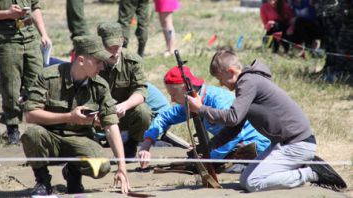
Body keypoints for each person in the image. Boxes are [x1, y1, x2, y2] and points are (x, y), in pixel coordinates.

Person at [186, 50, 347, 192]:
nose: (221, 84)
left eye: (220, 79)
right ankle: (300, 166)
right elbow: (235, 126)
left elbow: (232, 117)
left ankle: (310, 172)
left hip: (296, 144)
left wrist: (200, 109)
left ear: (231, 71)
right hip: (285, 143)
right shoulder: (249, 82)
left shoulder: (247, 82)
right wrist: (209, 147)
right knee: (244, 180)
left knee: (253, 182)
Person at [21, 35, 130, 195]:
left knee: (101, 167)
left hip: (80, 138)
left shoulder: (99, 85)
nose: (102, 66)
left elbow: (111, 125)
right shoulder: (48, 77)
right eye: (98, 62)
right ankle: (43, 181)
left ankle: (73, 173)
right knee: (32, 134)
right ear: (81, 60)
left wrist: (122, 167)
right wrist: (69, 117)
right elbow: (30, 115)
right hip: (49, 137)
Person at [138, 66, 271, 170]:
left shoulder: (219, 102)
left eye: (173, 94)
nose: (172, 100)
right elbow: (164, 118)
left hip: (255, 145)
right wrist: (147, 142)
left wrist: (209, 159)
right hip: (229, 146)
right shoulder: (190, 101)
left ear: (186, 90)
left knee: (230, 170)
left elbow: (234, 135)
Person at [0, 1, 51, 145]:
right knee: (11, 85)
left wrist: (43, 34)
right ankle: (13, 129)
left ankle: (41, 126)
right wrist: (7, 14)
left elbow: (35, 8)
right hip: (6, 39)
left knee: (38, 80)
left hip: (31, 37)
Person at [97, 22, 152, 158]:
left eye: (118, 46)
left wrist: (124, 106)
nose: (114, 51)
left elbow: (141, 91)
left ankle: (131, 144)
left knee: (143, 112)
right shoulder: (91, 61)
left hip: (123, 114)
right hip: (97, 114)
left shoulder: (133, 61)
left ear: (123, 41)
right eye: (110, 47)